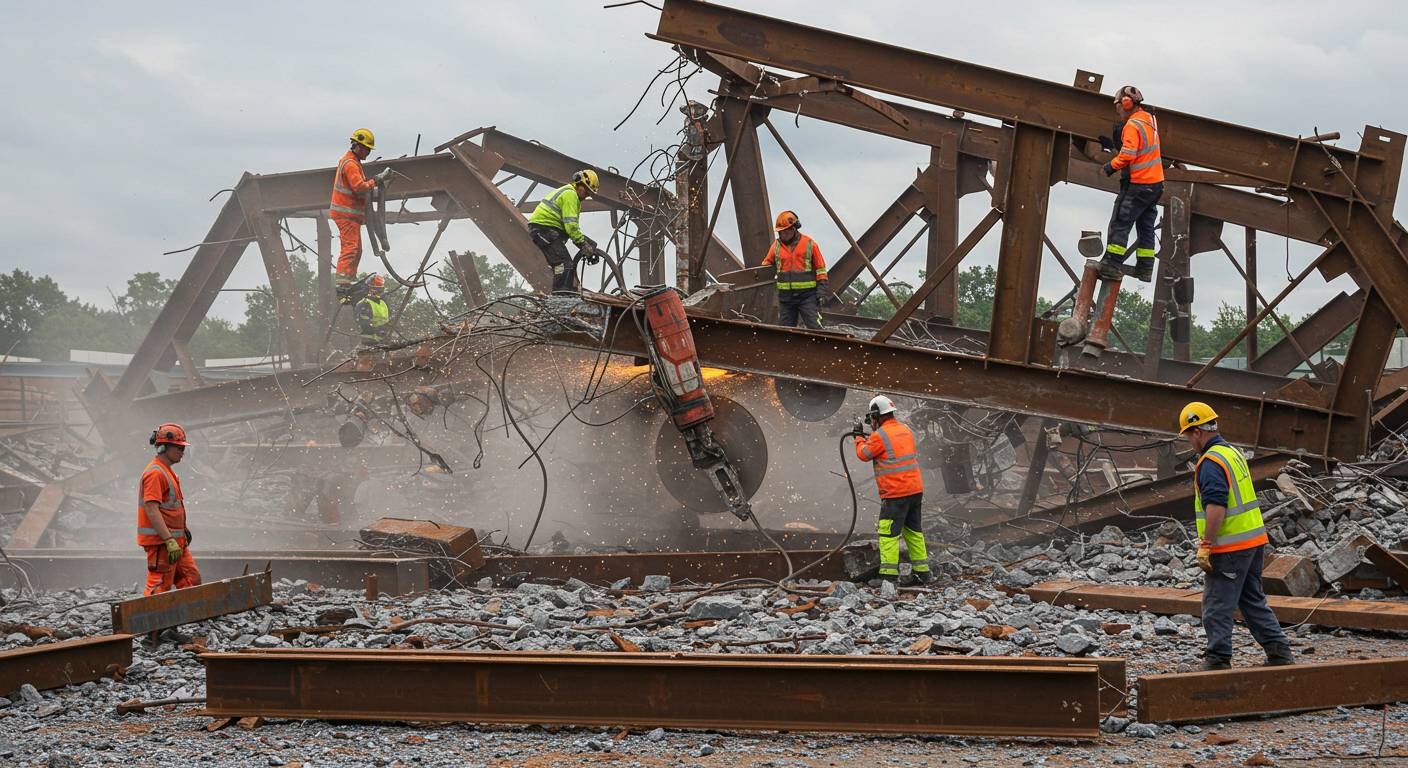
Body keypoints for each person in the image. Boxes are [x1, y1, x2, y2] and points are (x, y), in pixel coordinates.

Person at [1179, 401, 1294, 670]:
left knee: (1217, 604)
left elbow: (1217, 505)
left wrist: (1206, 544)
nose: (1188, 442)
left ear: (1197, 431)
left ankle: (1217, 660)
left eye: (1188, 435)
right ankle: (1279, 653)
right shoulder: (1232, 453)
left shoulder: (1210, 462)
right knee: (1252, 600)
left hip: (1230, 547)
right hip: (1253, 542)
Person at [853, 395, 930, 585]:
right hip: (914, 490)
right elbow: (890, 449)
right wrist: (869, 437)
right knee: (913, 532)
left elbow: (864, 454)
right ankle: (922, 573)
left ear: (877, 415)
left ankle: (888, 576)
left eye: (872, 417)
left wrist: (857, 438)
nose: (871, 422)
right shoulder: (905, 429)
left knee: (888, 534)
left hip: (896, 493)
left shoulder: (880, 435)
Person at [1097, 86, 1164, 283]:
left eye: (1118, 105)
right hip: (1156, 185)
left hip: (1140, 184)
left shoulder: (1132, 126)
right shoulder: (1150, 120)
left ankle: (1111, 264)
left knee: (1120, 221)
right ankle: (1145, 268)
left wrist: (1110, 166)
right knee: (1145, 226)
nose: (1117, 110)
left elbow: (1128, 154)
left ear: (1126, 103)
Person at [137, 423, 201, 596]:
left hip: (175, 541)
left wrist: (182, 531)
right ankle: (149, 619)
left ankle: (189, 615)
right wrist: (168, 539)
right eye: (179, 448)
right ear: (164, 447)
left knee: (191, 580)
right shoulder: (155, 473)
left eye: (183, 447)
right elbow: (152, 509)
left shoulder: (168, 472)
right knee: (159, 586)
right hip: (162, 543)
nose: (182, 452)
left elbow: (171, 508)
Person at [330, 128, 392, 302]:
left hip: (351, 215)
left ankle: (348, 281)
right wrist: (376, 180)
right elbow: (358, 187)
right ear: (357, 146)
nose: (367, 152)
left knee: (357, 249)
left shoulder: (354, 163)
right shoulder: (350, 164)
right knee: (350, 248)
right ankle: (342, 287)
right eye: (366, 149)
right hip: (345, 214)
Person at [527, 169, 603, 293]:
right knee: (563, 264)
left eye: (589, 193)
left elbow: (570, 229)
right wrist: (583, 244)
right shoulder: (570, 195)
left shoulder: (571, 195)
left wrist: (588, 245)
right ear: (579, 184)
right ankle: (560, 296)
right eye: (586, 191)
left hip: (548, 230)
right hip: (544, 230)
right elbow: (571, 226)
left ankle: (564, 291)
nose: (586, 195)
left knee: (567, 262)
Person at [762, 210, 828, 329]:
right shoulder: (776, 246)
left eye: (786, 232)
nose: (783, 235)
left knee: (816, 328)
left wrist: (821, 291)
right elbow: (766, 265)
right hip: (786, 298)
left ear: (794, 229)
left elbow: (821, 269)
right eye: (781, 232)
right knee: (785, 332)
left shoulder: (810, 244)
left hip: (807, 297)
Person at [355, 274, 390, 345]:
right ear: (368, 289)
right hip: (369, 341)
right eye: (374, 290)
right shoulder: (364, 304)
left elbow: (387, 320)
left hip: (383, 341)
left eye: (379, 290)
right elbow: (364, 325)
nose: (377, 293)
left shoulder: (383, 303)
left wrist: (388, 329)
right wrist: (380, 331)